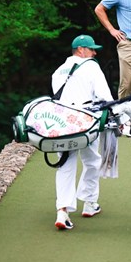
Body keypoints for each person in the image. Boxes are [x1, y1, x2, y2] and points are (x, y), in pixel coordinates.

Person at [50, 34, 114, 230]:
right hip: (85, 121)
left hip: (61, 122)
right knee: (92, 160)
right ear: (80, 50)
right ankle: (89, 202)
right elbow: (104, 96)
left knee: (65, 164)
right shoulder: (92, 67)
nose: (94, 53)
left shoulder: (59, 70)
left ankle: (63, 211)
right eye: (91, 49)